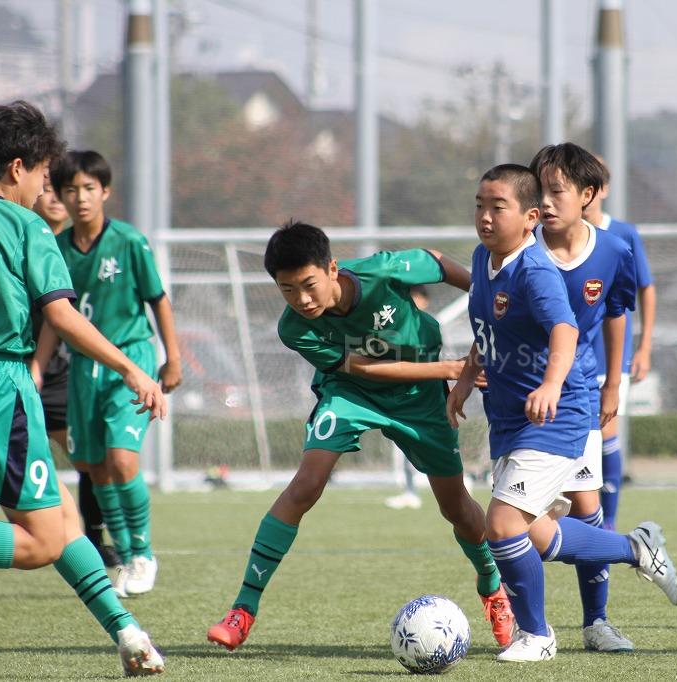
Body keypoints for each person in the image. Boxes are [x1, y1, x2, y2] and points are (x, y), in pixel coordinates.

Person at [206, 221, 515, 651]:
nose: (302, 299)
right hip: (352, 394)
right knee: (306, 484)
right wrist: (449, 369)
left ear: (332, 268)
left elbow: (438, 263)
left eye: (309, 284)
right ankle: (243, 609)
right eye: (288, 290)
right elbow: (363, 370)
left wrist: (484, 296)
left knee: (455, 505)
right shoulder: (294, 328)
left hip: (419, 397)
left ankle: (493, 587)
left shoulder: (382, 272)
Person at [0, 100, 165, 675]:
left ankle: (127, 633)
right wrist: (132, 368)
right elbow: (62, 317)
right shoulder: (26, 226)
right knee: (40, 542)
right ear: (18, 168)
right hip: (0, 384)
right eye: (46, 176)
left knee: (64, 519)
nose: (51, 190)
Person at [447, 164, 677, 663]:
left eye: (498, 207)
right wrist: (466, 379)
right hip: (510, 420)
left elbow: (566, 331)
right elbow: (489, 331)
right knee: (537, 532)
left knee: (503, 524)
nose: (485, 217)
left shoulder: (535, 270)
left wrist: (552, 384)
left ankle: (537, 636)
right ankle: (636, 548)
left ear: (531, 217)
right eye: (479, 206)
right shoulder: (483, 259)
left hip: (558, 416)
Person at [32, 150, 183, 597]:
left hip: (130, 361)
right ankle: (120, 552)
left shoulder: (129, 242)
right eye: (70, 190)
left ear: (106, 192)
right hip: (83, 370)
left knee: (121, 459)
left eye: (89, 189)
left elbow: (157, 299)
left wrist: (171, 357)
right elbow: (57, 320)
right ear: (58, 195)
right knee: (94, 468)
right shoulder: (56, 250)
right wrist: (38, 369)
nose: (80, 198)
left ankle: (142, 553)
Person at [528, 142, 643, 652]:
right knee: (514, 515)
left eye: (557, 191)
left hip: (577, 392)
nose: (547, 203)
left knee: (586, 507)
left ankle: (595, 622)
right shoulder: (522, 247)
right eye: (540, 192)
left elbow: (617, 313)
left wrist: (613, 384)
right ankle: (525, 622)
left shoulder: (615, 250)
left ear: (588, 195)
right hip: (521, 395)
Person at [31, 172, 120, 567]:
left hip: (59, 373)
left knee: (85, 456)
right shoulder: (22, 234)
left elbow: (66, 317)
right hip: (9, 368)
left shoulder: (77, 249)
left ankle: (96, 540)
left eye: (59, 190)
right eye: (47, 188)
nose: (52, 196)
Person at [582, 160, 655, 530]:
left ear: (600, 191)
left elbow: (645, 287)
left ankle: (607, 521)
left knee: (606, 430)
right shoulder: (556, 237)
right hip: (568, 356)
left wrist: (643, 348)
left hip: (609, 357)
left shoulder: (622, 234)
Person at [384, 284, 430, 510]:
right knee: (405, 449)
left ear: (424, 300)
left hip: (429, 400)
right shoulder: (399, 329)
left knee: (436, 450)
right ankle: (410, 492)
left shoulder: (429, 327)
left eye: (414, 299)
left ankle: (462, 482)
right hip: (406, 400)